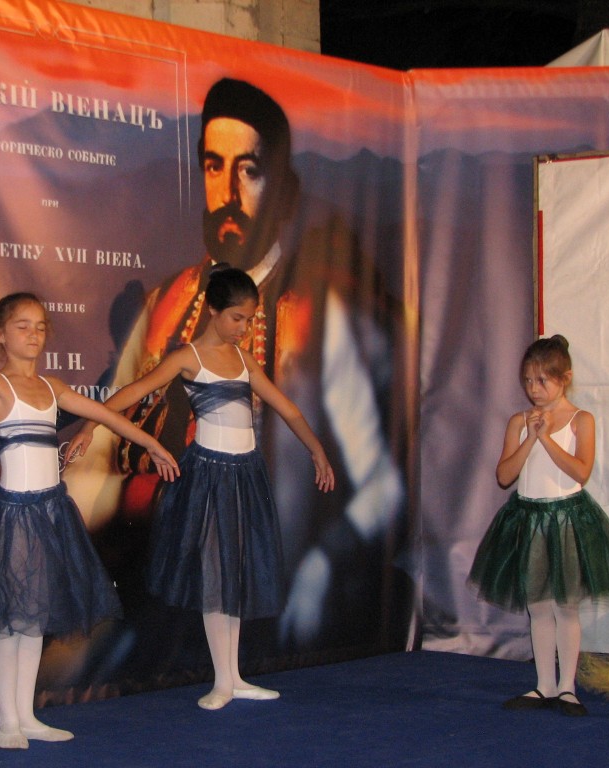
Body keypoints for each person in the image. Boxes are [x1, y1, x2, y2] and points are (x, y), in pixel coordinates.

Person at [62, 77, 402, 645]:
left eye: (249, 171)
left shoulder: (318, 317)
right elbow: (110, 434)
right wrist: (124, 483)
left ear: (285, 192)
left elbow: (379, 483)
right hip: (154, 567)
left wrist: (323, 561)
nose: (227, 192)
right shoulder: (165, 304)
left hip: (270, 574)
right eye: (214, 166)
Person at [0, 292, 179, 748]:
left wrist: (152, 444)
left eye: (41, 326)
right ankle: (7, 721)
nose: (34, 334)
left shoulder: (52, 388)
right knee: (13, 621)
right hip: (14, 515)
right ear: (0, 335)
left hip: (51, 512)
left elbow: (106, 414)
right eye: (22, 326)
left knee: (35, 619)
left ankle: (27, 715)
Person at [70, 266, 334, 709]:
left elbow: (287, 409)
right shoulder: (188, 357)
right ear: (213, 310)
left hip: (245, 475)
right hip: (209, 476)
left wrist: (317, 451)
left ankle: (234, 677)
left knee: (235, 573)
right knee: (215, 573)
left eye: (249, 320)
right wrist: (87, 427)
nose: (243, 327)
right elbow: (132, 392)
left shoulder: (246, 361)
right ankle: (222, 681)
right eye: (236, 318)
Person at [468, 334, 609, 716]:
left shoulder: (581, 420)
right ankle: (544, 685)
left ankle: (567, 687)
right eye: (528, 380)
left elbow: (581, 471)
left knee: (566, 606)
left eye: (542, 380)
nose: (534, 389)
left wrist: (546, 438)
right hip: (529, 519)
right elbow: (504, 476)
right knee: (538, 606)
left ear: (565, 378)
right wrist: (530, 437)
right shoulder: (518, 421)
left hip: (567, 518)